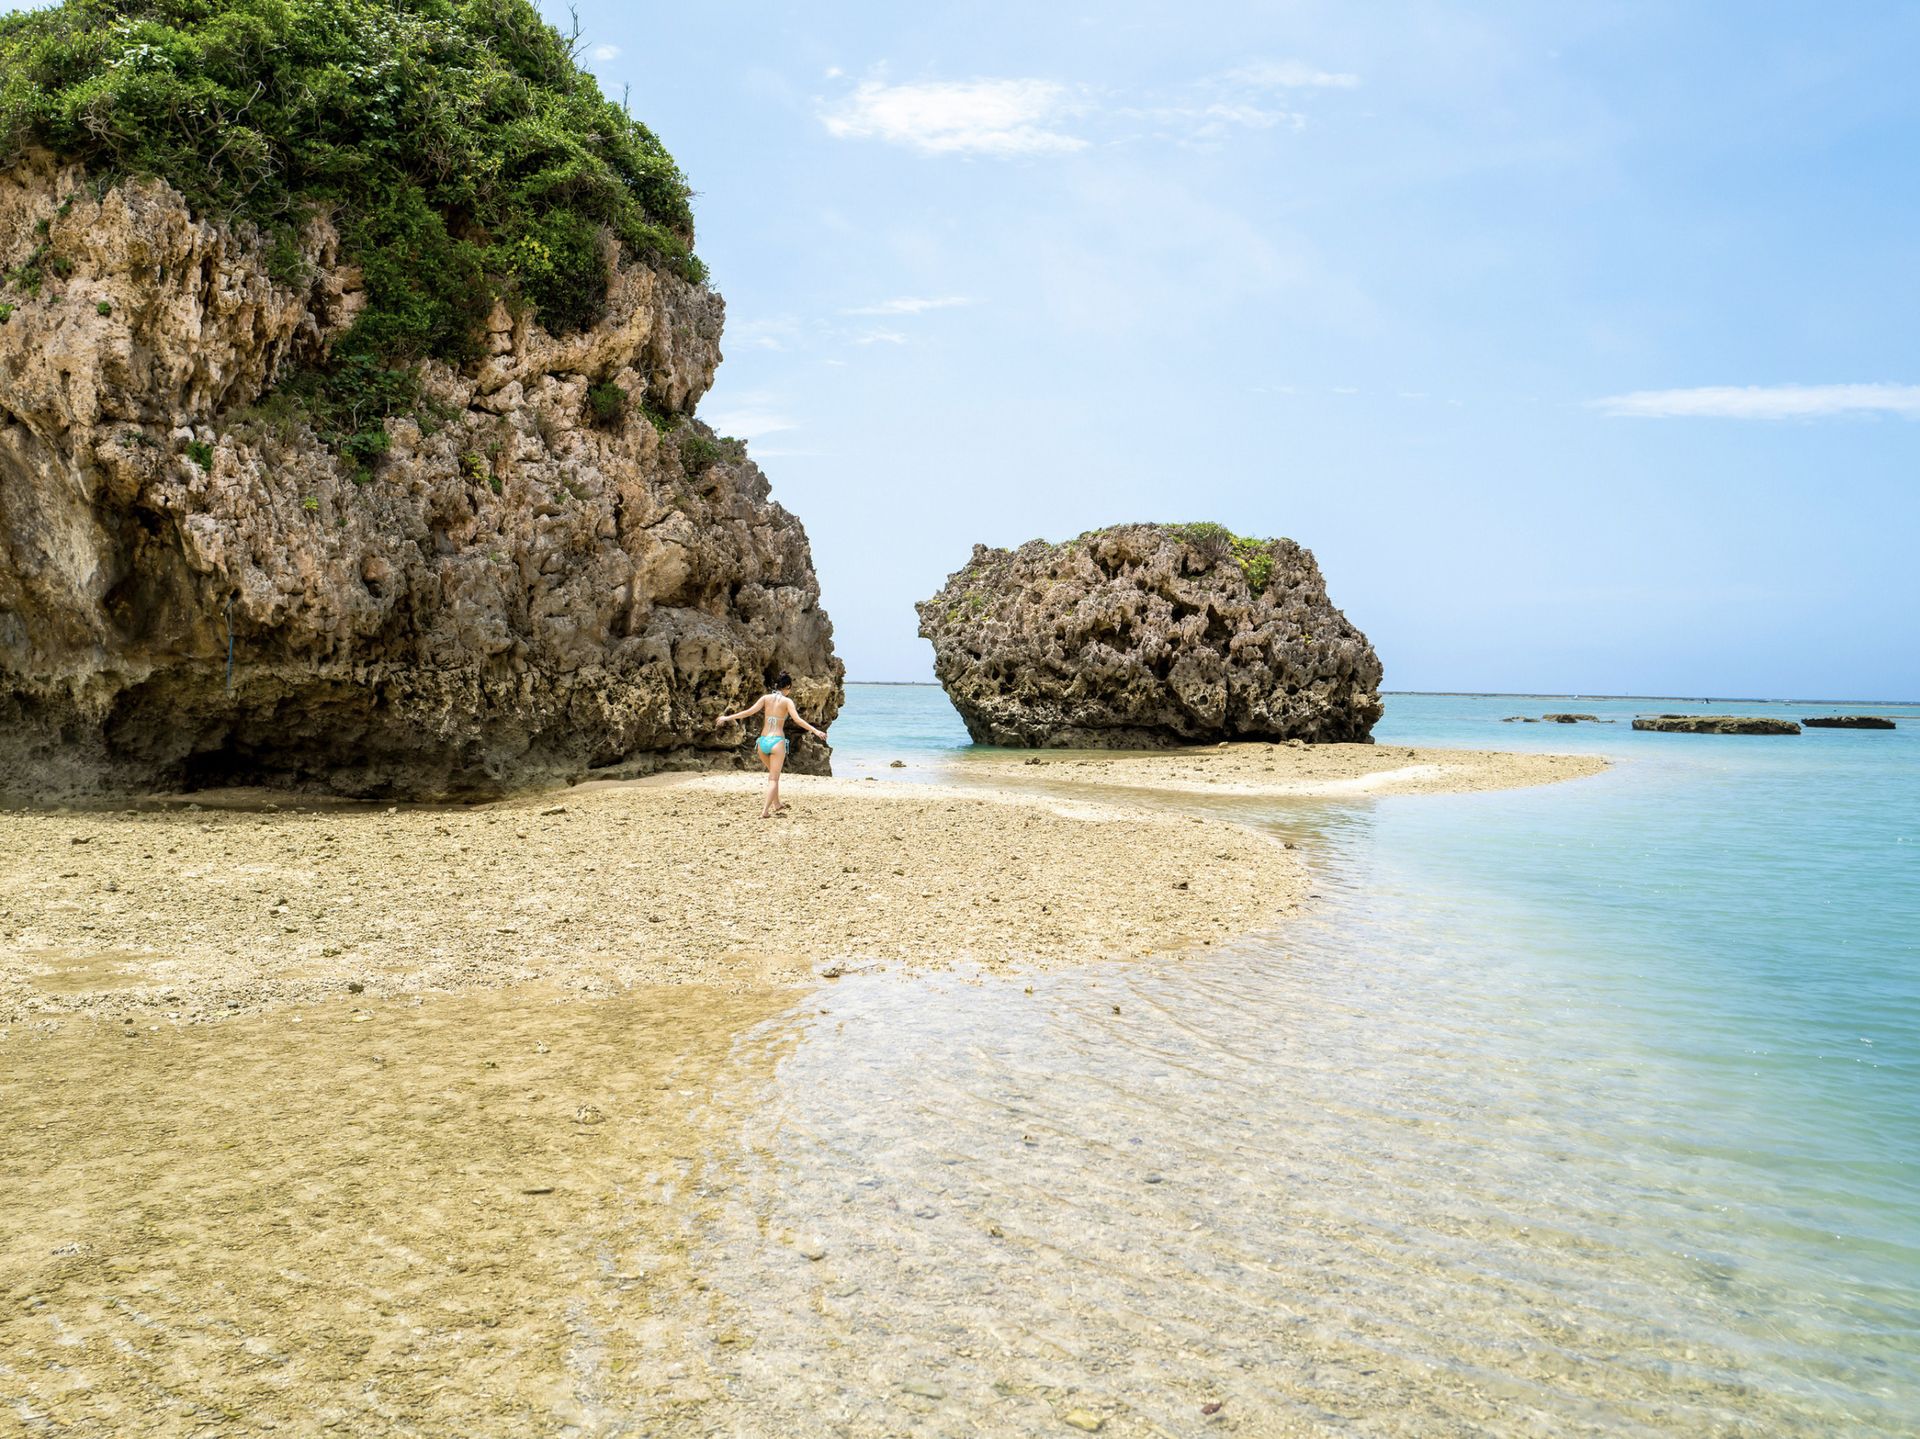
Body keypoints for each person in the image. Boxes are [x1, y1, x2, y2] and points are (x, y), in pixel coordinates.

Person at [715, 672, 827, 818]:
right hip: (777, 742)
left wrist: (727, 717)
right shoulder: (787, 702)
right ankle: (765, 811)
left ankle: (777, 804)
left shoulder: (765, 698)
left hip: (762, 742)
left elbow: (749, 712)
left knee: (773, 775)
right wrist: (816, 731)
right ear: (787, 687)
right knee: (774, 779)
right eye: (790, 688)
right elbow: (798, 720)